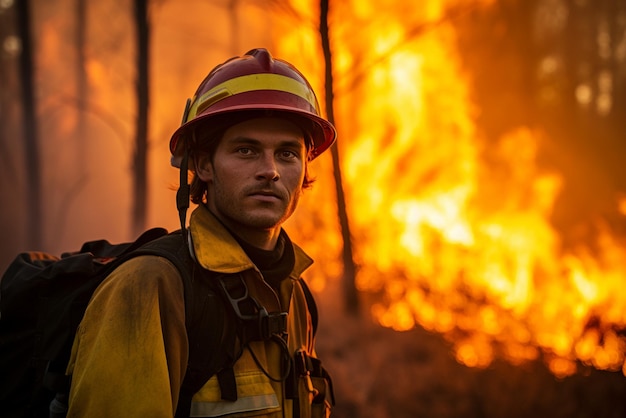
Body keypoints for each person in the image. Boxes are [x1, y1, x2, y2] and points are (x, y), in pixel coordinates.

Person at [65, 48, 336, 418]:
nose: (270, 170)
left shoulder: (294, 293)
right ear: (203, 164)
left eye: (288, 153)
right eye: (246, 150)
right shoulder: (150, 285)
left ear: (305, 169)